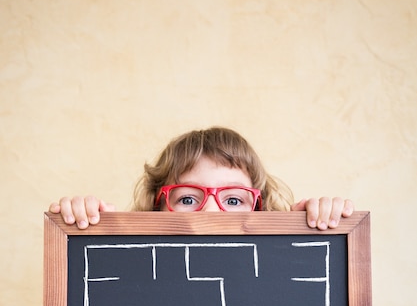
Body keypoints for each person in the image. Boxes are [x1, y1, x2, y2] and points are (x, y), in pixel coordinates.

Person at [49, 126, 354, 230]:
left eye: (233, 199)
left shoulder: (279, 273)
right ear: (158, 207)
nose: (211, 212)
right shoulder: (134, 274)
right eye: (187, 198)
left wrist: (316, 233)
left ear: (259, 209)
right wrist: (88, 226)